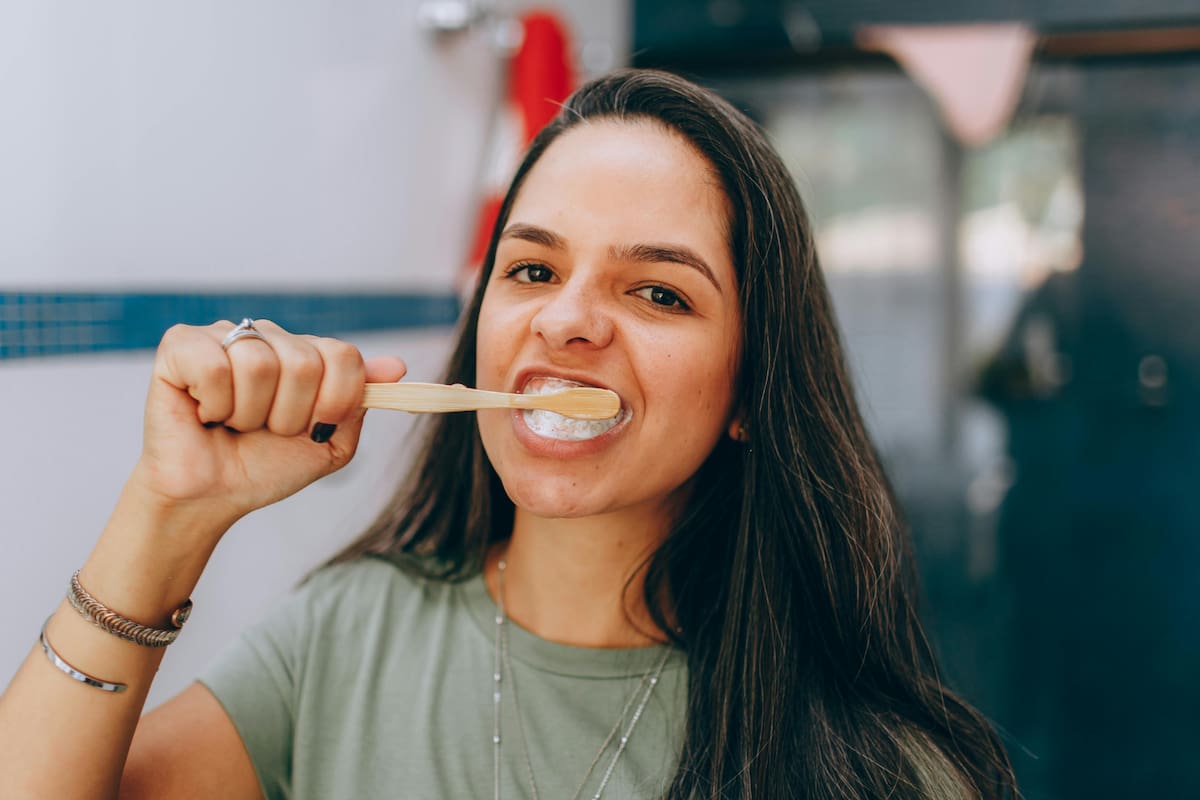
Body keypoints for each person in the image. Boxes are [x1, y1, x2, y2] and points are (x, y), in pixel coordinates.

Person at [0, 69, 1015, 799]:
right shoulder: (349, 636)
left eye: (657, 290)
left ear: (751, 387)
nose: (565, 318)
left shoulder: (885, 769)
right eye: (531, 269)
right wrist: (166, 512)